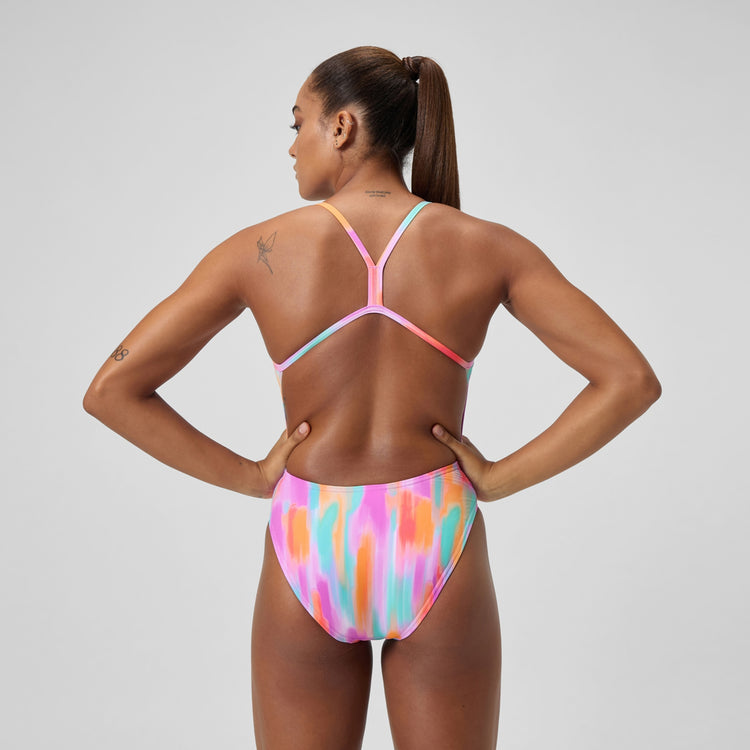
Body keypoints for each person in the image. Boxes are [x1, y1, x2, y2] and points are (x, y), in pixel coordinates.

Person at [83, 45, 661, 750]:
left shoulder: (259, 250)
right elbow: (629, 379)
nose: (291, 146)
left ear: (342, 126)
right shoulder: (487, 247)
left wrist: (253, 476)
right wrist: (498, 479)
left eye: (298, 122)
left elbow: (113, 390)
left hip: (310, 539)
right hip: (436, 534)